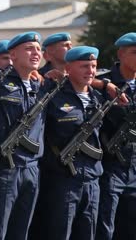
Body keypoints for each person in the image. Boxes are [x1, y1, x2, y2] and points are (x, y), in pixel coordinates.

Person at [0, 31, 45, 240]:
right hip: (4, 168)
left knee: (21, 230)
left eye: (37, 49)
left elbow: (80, 80)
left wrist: (105, 84)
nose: (35, 53)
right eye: (28, 49)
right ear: (13, 55)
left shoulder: (41, 84)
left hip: (32, 168)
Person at [41, 46, 104, 240]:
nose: (90, 71)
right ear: (68, 68)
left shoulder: (98, 98)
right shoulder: (53, 96)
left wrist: (107, 84)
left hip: (93, 179)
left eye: (93, 66)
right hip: (64, 179)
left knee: (87, 233)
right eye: (84, 66)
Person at [96, 32, 136, 240]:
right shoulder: (104, 83)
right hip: (110, 166)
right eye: (134, 53)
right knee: (105, 227)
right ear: (121, 54)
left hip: (134, 164)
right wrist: (104, 85)